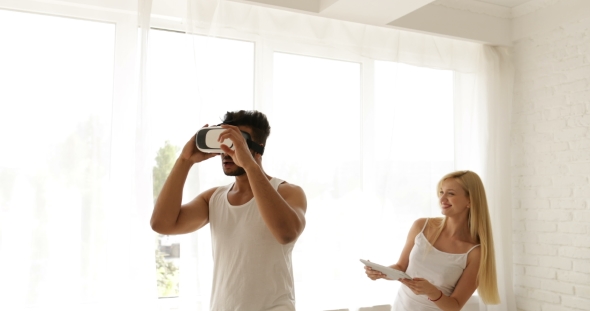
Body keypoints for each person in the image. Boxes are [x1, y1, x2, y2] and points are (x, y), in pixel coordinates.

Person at [150, 110, 307, 311]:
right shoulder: (213, 199)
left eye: (234, 143)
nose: (226, 151)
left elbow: (286, 233)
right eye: (222, 143)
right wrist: (185, 160)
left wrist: (250, 166)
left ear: (258, 149)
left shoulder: (288, 192)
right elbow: (161, 223)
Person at [364, 170, 500, 310]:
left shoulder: (475, 253)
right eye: (441, 192)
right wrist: (382, 272)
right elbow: (401, 267)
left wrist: (432, 291)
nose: (442, 199)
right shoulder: (421, 226)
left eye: (451, 193)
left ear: (470, 200)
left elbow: (454, 306)